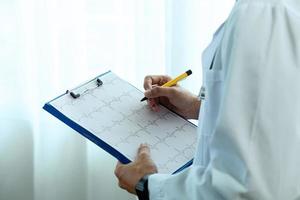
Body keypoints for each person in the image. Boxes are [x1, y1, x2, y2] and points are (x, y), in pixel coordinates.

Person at [114, 0, 300, 199]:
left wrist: (147, 185)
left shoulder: (264, 13)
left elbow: (240, 188)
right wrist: (199, 107)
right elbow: (276, 119)